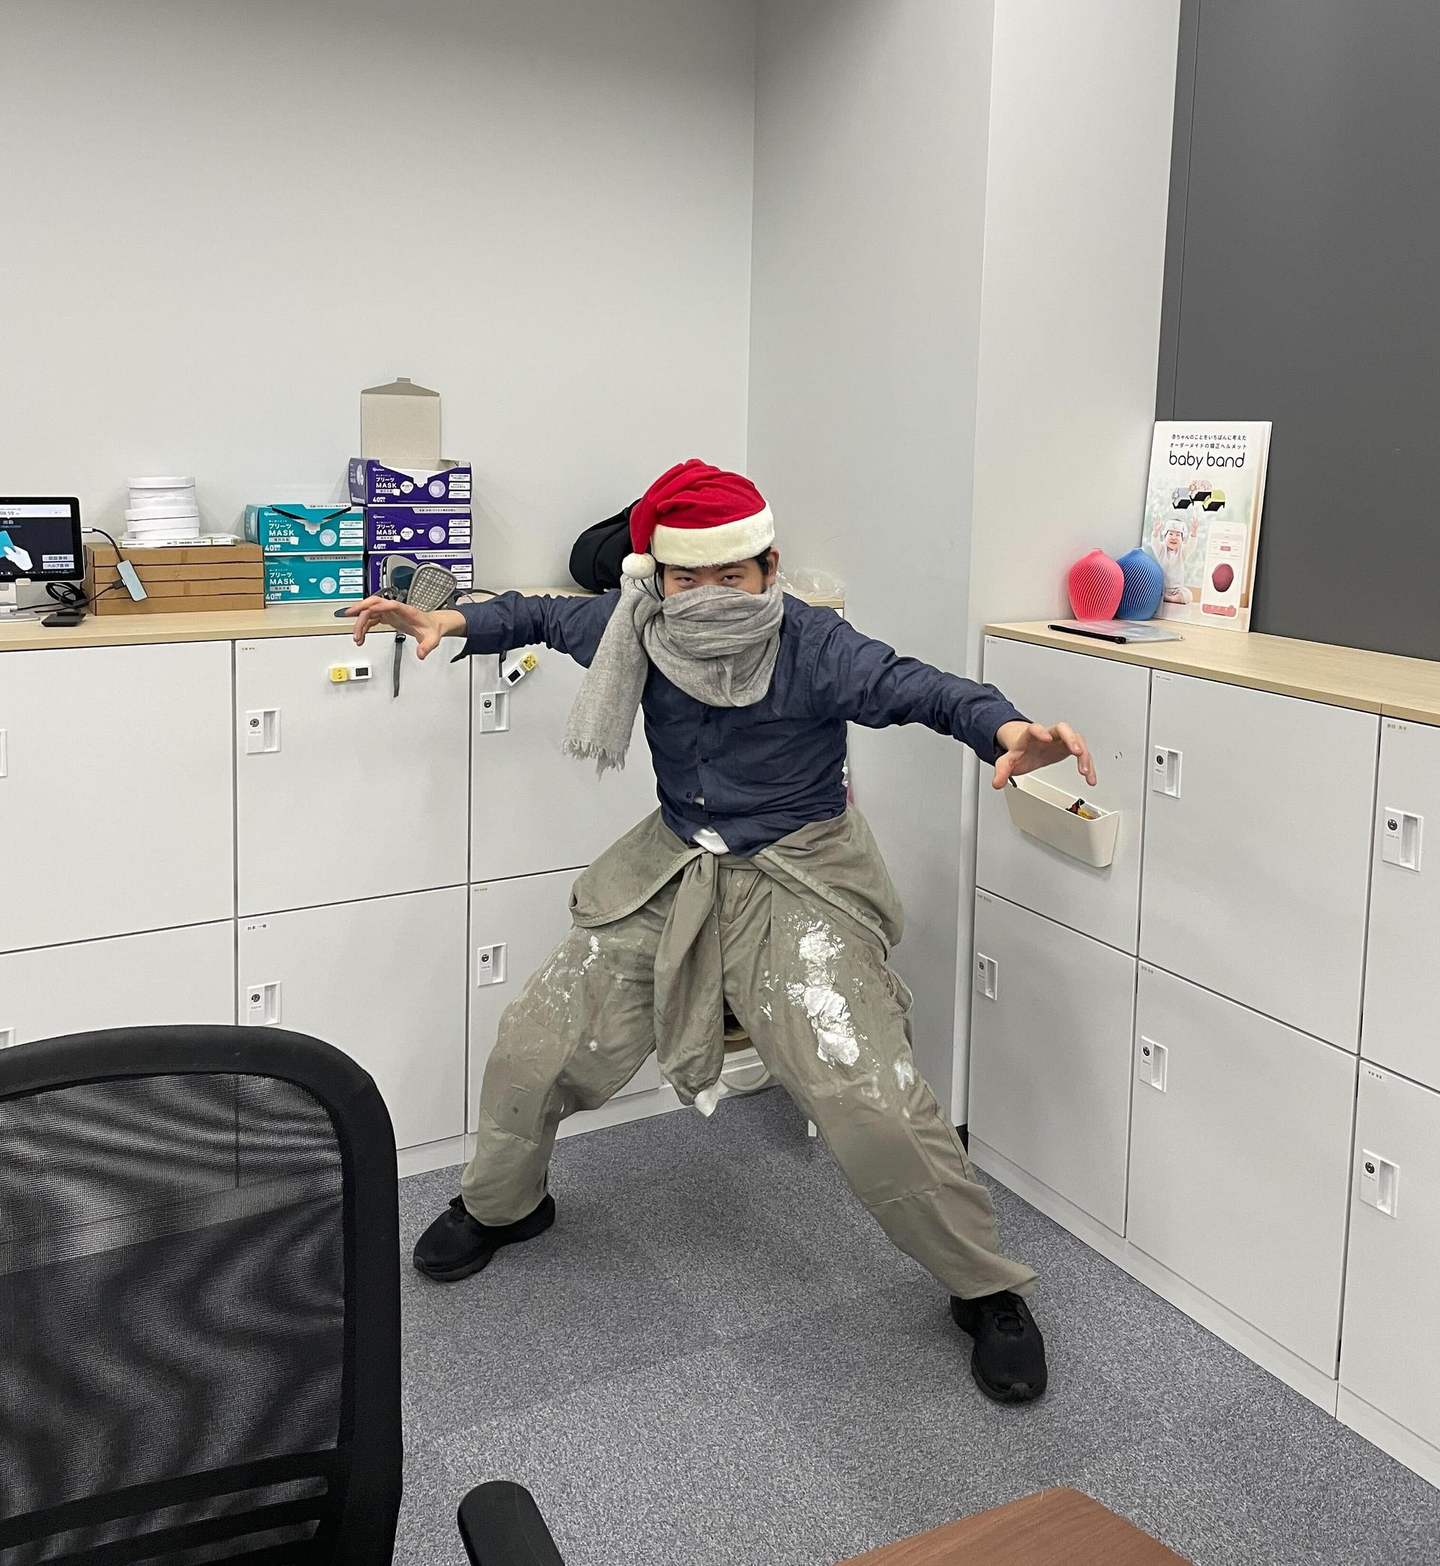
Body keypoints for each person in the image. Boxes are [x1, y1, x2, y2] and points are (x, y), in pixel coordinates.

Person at [346, 460, 1095, 1405]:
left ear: (768, 568)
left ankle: (984, 1290)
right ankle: (504, 1205)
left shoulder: (815, 645)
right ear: (657, 578)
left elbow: (925, 689)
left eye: (729, 576)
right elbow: (538, 615)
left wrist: (1007, 730)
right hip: (673, 861)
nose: (706, 597)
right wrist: (451, 620)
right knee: (538, 1041)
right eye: (686, 577)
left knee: (866, 1095)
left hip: (799, 870)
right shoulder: (635, 625)